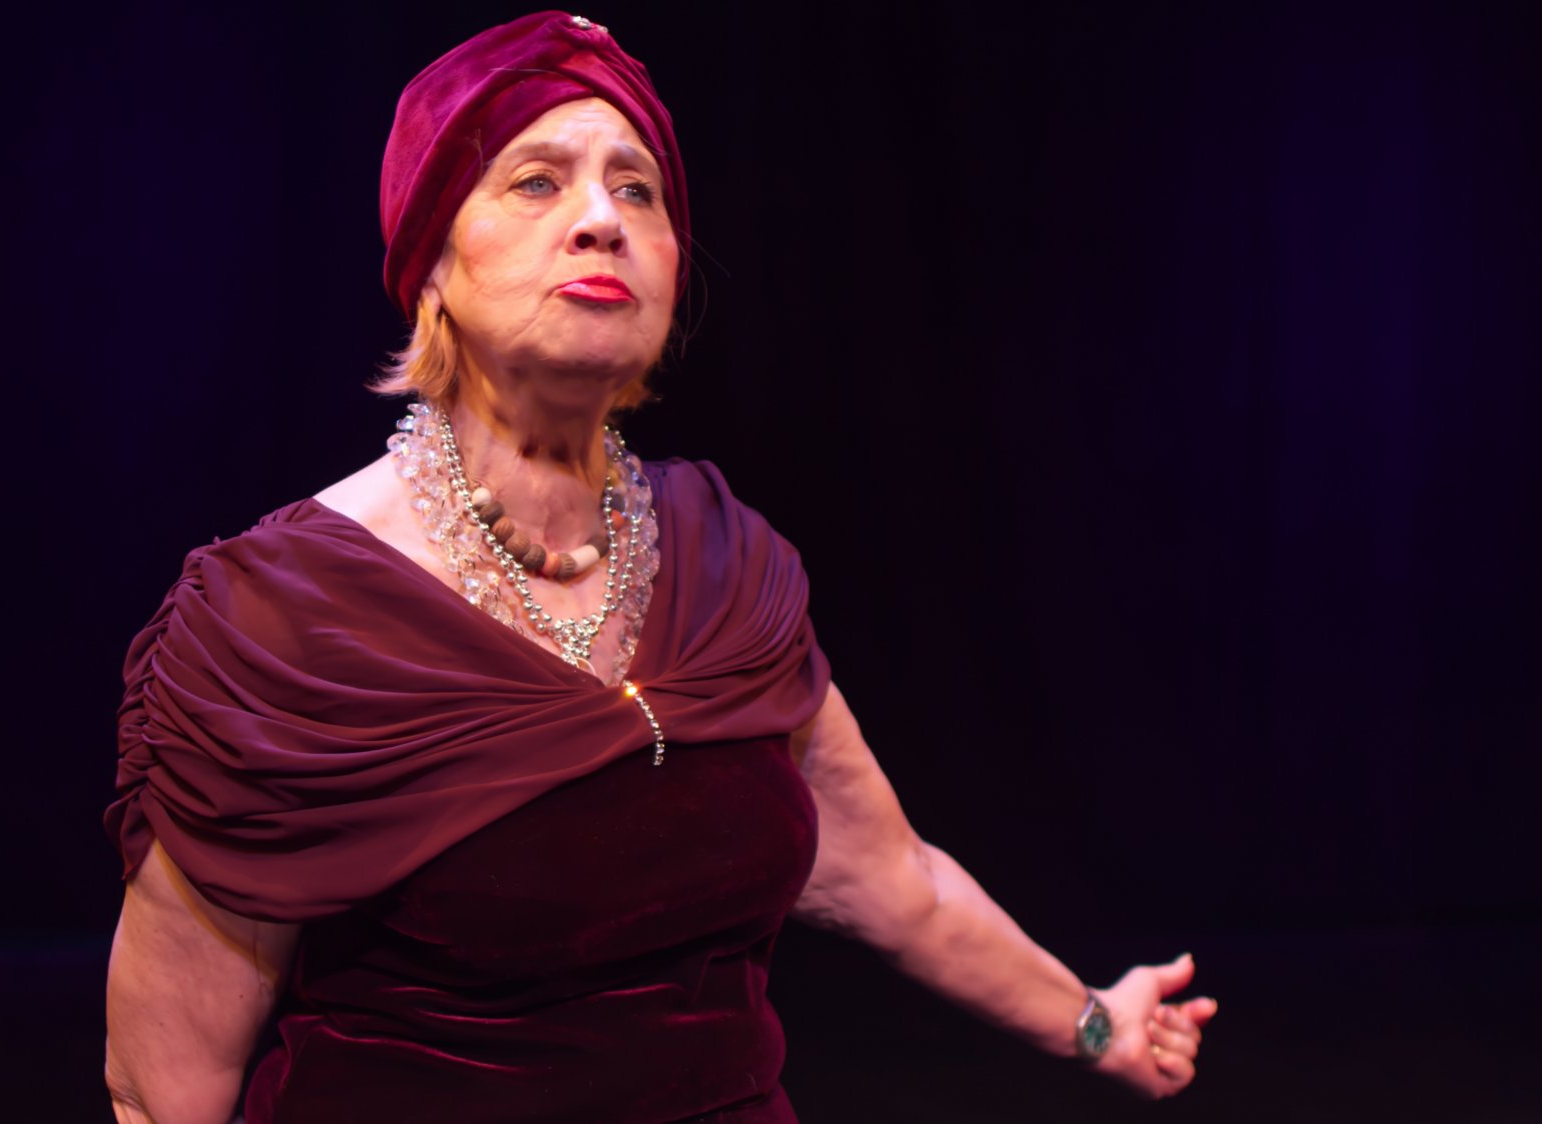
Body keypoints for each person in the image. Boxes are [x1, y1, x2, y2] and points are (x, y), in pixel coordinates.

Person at [102, 11, 1215, 1123]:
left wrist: (1096, 1022)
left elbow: (895, 879)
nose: (601, 219)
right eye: (537, 182)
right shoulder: (279, 618)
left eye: (637, 190)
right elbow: (162, 1087)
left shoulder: (726, 565)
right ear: (430, 259)